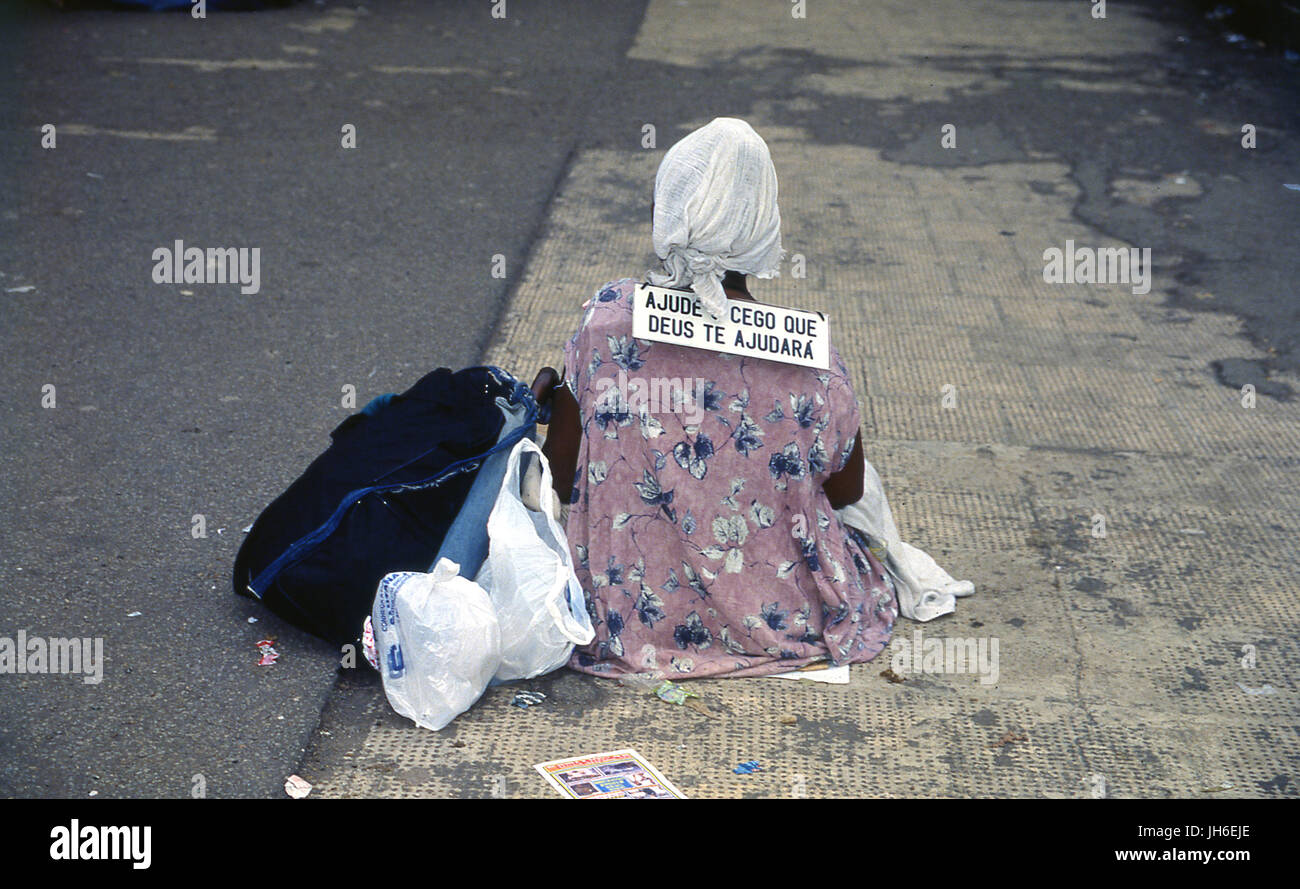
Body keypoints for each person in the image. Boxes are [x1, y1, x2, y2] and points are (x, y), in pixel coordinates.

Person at [542, 117, 897, 678]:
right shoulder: (809, 359)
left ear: (670, 208)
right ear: (764, 225)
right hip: (784, 618)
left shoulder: (607, 324)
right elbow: (847, 490)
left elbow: (564, 480)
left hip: (628, 622)